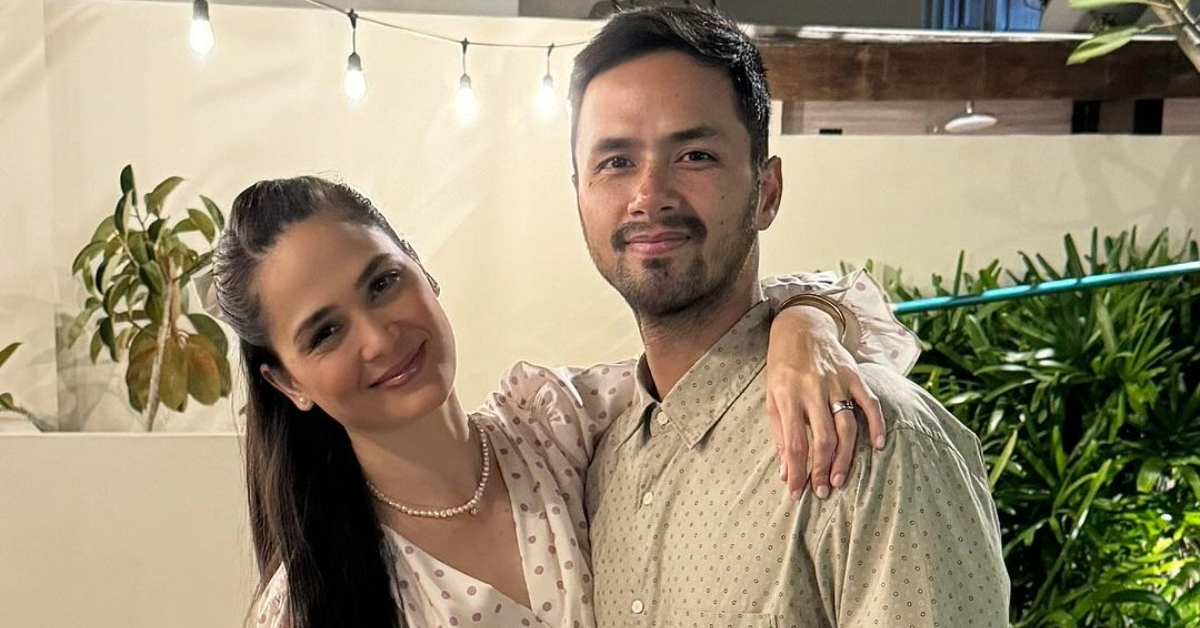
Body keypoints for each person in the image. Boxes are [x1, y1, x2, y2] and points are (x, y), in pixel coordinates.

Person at [221, 177, 919, 627]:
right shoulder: (307, 605)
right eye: (325, 333)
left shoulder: (556, 425)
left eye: (382, 283)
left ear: (420, 266)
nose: (378, 338)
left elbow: (852, 316)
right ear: (288, 383)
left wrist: (804, 325)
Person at [569, 7, 1011, 627]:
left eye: (694, 155)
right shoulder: (598, 460)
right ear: (579, 197)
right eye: (616, 162)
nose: (649, 195)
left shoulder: (875, 439)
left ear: (767, 192)